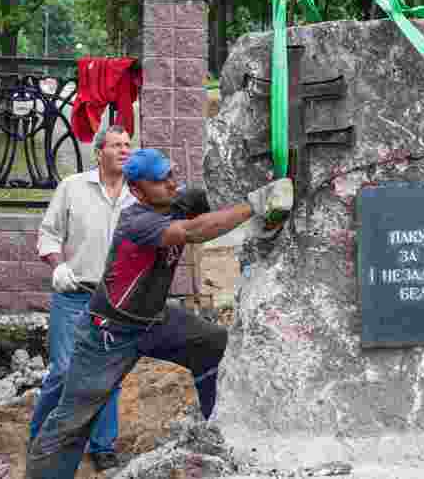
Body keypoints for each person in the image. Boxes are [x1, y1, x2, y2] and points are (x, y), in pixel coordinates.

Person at [26, 148, 293, 478]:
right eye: (160, 180)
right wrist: (255, 204)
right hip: (108, 334)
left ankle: (217, 429)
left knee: (212, 344)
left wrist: (263, 183)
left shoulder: (175, 201)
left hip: (153, 319)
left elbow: (214, 201)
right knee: (73, 419)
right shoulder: (137, 221)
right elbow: (195, 232)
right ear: (138, 190)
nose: (171, 183)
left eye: (170, 174)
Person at [29, 125, 135, 472]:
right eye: (116, 145)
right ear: (99, 152)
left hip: (114, 301)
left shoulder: (137, 195)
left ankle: (103, 446)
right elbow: (48, 234)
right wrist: (57, 266)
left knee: (108, 375)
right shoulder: (73, 188)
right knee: (63, 371)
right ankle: (40, 438)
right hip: (74, 294)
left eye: (127, 145)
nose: (124, 150)